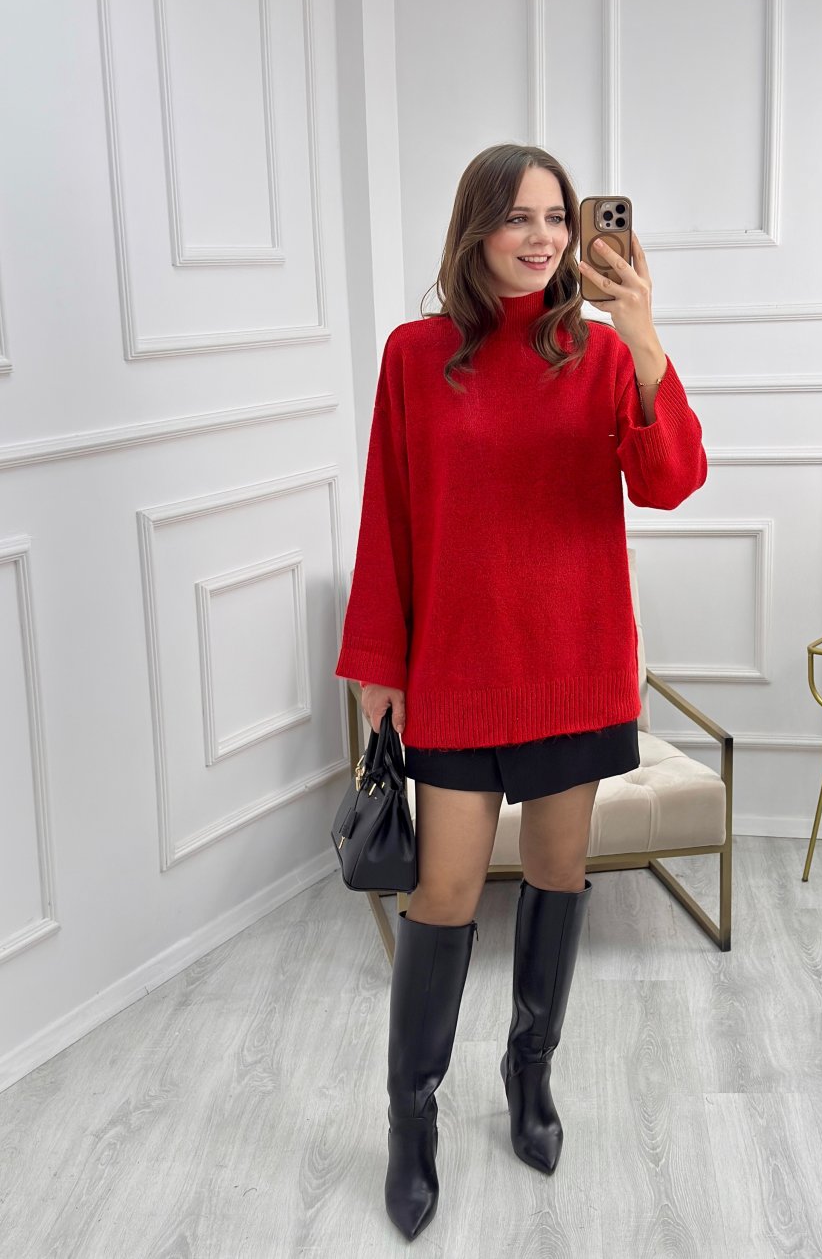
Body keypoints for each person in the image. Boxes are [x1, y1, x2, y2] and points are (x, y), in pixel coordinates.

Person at [334, 143, 707, 1241]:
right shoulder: (414, 355)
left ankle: (529, 1072)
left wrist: (644, 335)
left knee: (556, 874)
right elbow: (387, 513)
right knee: (444, 894)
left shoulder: (601, 354)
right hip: (457, 670)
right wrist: (379, 663)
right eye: (517, 217)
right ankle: (411, 1119)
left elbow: (671, 482)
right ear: (476, 230)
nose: (541, 237)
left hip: (574, 665)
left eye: (556, 217)